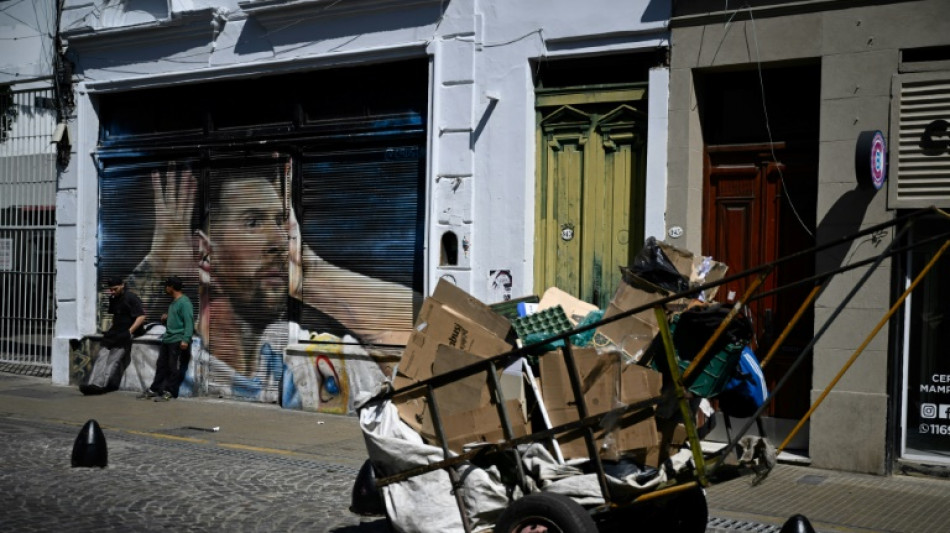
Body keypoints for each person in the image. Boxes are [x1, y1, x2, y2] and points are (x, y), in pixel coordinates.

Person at [127, 157, 412, 405]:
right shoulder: (147, 358)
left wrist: (310, 274)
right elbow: (117, 322)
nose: (281, 240)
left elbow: (420, 334)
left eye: (279, 221)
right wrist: (157, 263)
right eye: (253, 222)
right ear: (205, 252)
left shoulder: (299, 359)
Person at [80, 276, 146, 395]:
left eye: (115, 289)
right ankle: (93, 383)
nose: (113, 291)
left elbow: (141, 317)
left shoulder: (131, 298)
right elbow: (115, 316)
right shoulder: (113, 298)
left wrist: (130, 332)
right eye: (111, 289)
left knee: (113, 360)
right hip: (114, 332)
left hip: (125, 332)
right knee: (101, 356)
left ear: (122, 285)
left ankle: (101, 386)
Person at [144, 276, 194, 401]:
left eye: (166, 286)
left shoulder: (184, 302)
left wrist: (185, 339)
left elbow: (189, 322)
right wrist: (165, 320)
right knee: (161, 365)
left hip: (177, 340)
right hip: (167, 339)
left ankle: (169, 392)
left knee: (173, 368)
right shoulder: (174, 302)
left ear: (171, 287)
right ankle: (154, 389)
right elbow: (177, 321)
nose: (165, 288)